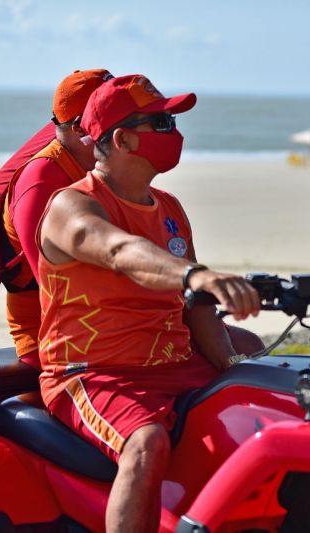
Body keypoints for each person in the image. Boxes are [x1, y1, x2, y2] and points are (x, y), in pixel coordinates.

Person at [36, 74, 262, 532]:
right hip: (94, 372)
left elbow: (196, 306)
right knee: (147, 442)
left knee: (267, 396)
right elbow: (119, 251)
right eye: (162, 123)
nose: (175, 132)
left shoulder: (170, 207)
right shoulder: (71, 206)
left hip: (174, 363)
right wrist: (196, 273)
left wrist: (234, 365)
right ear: (122, 138)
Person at [4, 69, 114, 368]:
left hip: (110, 325)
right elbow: (53, 286)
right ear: (81, 129)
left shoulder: (104, 168)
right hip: (52, 336)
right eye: (117, 115)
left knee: (240, 344)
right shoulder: (41, 179)